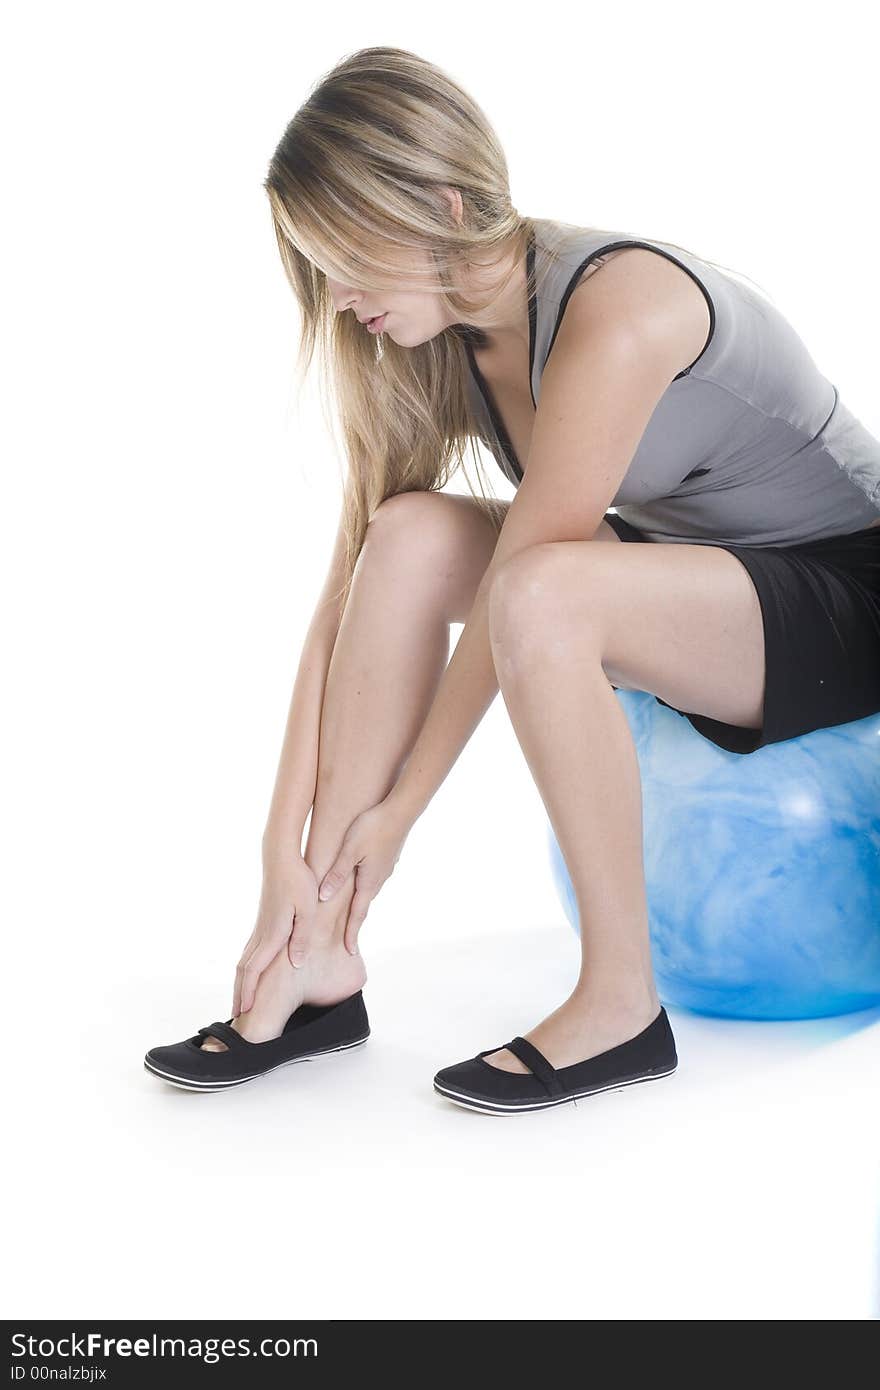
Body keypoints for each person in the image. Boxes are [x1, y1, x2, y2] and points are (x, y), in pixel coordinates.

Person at [144, 46, 880, 1112]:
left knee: (539, 593)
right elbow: (347, 586)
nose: (338, 295)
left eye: (348, 256)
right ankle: (318, 957)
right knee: (401, 536)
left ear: (443, 206)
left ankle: (622, 999)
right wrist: (281, 854)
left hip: (847, 590)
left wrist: (397, 818)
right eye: (316, 263)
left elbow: (524, 595)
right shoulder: (437, 340)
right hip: (707, 581)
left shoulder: (617, 308)